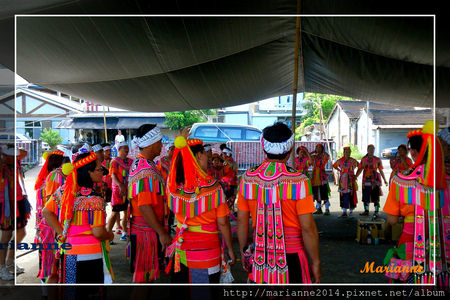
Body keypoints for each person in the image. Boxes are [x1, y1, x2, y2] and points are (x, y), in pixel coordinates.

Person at [237, 122, 320, 284]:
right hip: (292, 255)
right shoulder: (299, 181)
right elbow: (308, 228)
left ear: (264, 148)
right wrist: (315, 262)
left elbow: (241, 220)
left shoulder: (248, 178)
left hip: (260, 253)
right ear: (289, 150)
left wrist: (243, 250)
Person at [166, 129, 235, 291]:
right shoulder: (213, 187)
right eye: (204, 152)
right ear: (197, 156)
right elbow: (223, 223)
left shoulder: (175, 186)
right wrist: (230, 249)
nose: (208, 156)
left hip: (182, 249)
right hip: (206, 252)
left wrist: (180, 147)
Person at [383, 121, 446, 284]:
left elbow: (392, 220)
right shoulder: (444, 177)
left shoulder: (401, 179)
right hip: (444, 241)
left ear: (411, 151)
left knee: (409, 284)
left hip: (410, 240)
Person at [43, 151, 114, 286]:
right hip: (91, 254)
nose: (102, 173)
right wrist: (109, 235)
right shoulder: (95, 199)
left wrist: (62, 233)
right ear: (88, 172)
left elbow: (46, 211)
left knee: (71, 292)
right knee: (90, 293)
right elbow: (98, 232)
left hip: (69, 252)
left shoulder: (64, 191)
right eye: (99, 169)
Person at [127, 124, 171, 283]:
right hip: (146, 231)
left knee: (146, 278)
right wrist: (161, 233)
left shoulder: (143, 164)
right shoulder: (145, 170)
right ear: (151, 144)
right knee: (144, 280)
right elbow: (144, 206)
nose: (162, 146)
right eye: (160, 142)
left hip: (146, 228)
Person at [34, 150, 66, 282]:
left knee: (46, 254)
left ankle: (46, 282)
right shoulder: (55, 176)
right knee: (52, 257)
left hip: (43, 222)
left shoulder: (46, 178)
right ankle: (48, 283)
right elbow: (50, 202)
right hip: (51, 222)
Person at [107, 141, 132, 241]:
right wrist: (120, 185)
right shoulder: (114, 161)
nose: (127, 149)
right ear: (119, 149)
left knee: (127, 212)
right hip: (118, 191)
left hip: (128, 189)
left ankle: (125, 232)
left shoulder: (131, 161)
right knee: (114, 212)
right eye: (124, 148)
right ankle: (108, 234)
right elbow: (113, 175)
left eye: (127, 147)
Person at [356, 144, 388, 217]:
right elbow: (360, 169)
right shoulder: (363, 159)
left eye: (373, 149)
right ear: (367, 150)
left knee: (375, 196)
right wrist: (356, 176)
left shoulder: (377, 159)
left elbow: (381, 170)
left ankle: (376, 211)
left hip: (375, 181)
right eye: (370, 149)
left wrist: (385, 180)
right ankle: (366, 211)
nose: (371, 150)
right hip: (365, 180)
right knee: (366, 196)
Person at [0, 147, 17, 280]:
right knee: (5, 238)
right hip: (3, 209)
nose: (14, 158)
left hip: (7, 208)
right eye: (10, 156)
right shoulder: (3, 169)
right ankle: (2, 268)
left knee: (7, 236)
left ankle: (4, 265)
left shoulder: (10, 169)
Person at [333, 147, 359, 217]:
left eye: (349, 152)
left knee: (351, 194)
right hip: (343, 181)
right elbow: (334, 165)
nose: (348, 153)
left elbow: (360, 166)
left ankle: (351, 211)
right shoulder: (340, 161)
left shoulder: (353, 161)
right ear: (344, 153)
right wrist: (340, 170)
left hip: (350, 180)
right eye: (346, 152)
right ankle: (344, 211)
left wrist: (356, 175)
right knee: (343, 195)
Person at [311, 143, 331, 215]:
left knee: (324, 192)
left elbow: (327, 156)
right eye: (317, 148)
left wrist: (323, 152)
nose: (318, 149)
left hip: (322, 177)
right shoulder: (314, 157)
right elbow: (307, 157)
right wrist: (313, 152)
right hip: (315, 176)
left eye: (320, 148)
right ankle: (319, 209)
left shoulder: (324, 156)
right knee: (317, 192)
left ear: (322, 149)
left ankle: (327, 209)